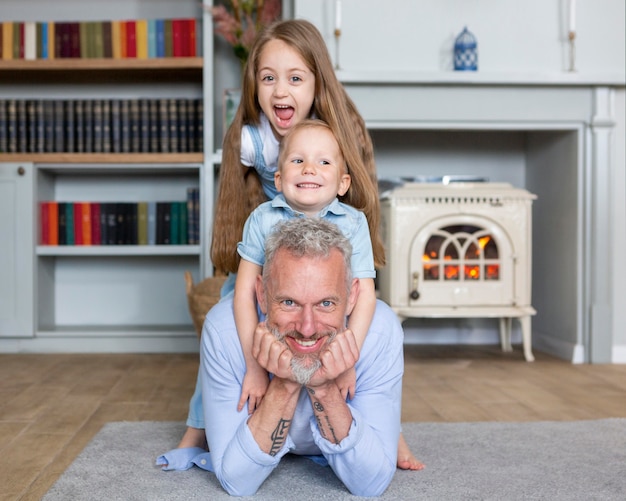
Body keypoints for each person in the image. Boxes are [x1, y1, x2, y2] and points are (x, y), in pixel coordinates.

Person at [156, 18, 422, 471]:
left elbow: (361, 275)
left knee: (376, 330)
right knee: (222, 324)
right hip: (271, 260)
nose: (281, 90)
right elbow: (246, 240)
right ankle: (200, 425)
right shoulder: (253, 139)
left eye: (295, 78)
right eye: (269, 78)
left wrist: (346, 354)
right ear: (255, 85)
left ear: (317, 85)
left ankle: (388, 429)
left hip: (327, 266)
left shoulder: (341, 131)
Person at [201, 217, 404, 496]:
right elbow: (237, 481)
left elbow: (371, 483)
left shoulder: (380, 331)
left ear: (352, 296)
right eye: (288, 302)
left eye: (325, 303)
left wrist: (323, 387)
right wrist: (285, 383)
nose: (307, 328)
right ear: (261, 294)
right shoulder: (224, 331)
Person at [234, 119, 377, 416]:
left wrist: (346, 363)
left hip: (329, 321)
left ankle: (393, 436)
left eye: (323, 162)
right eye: (298, 160)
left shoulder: (353, 223)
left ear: (342, 183)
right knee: (220, 329)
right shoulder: (263, 219)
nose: (309, 168)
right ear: (278, 178)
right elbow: (245, 290)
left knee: (384, 339)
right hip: (277, 318)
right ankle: (201, 428)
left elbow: (364, 294)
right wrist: (254, 367)